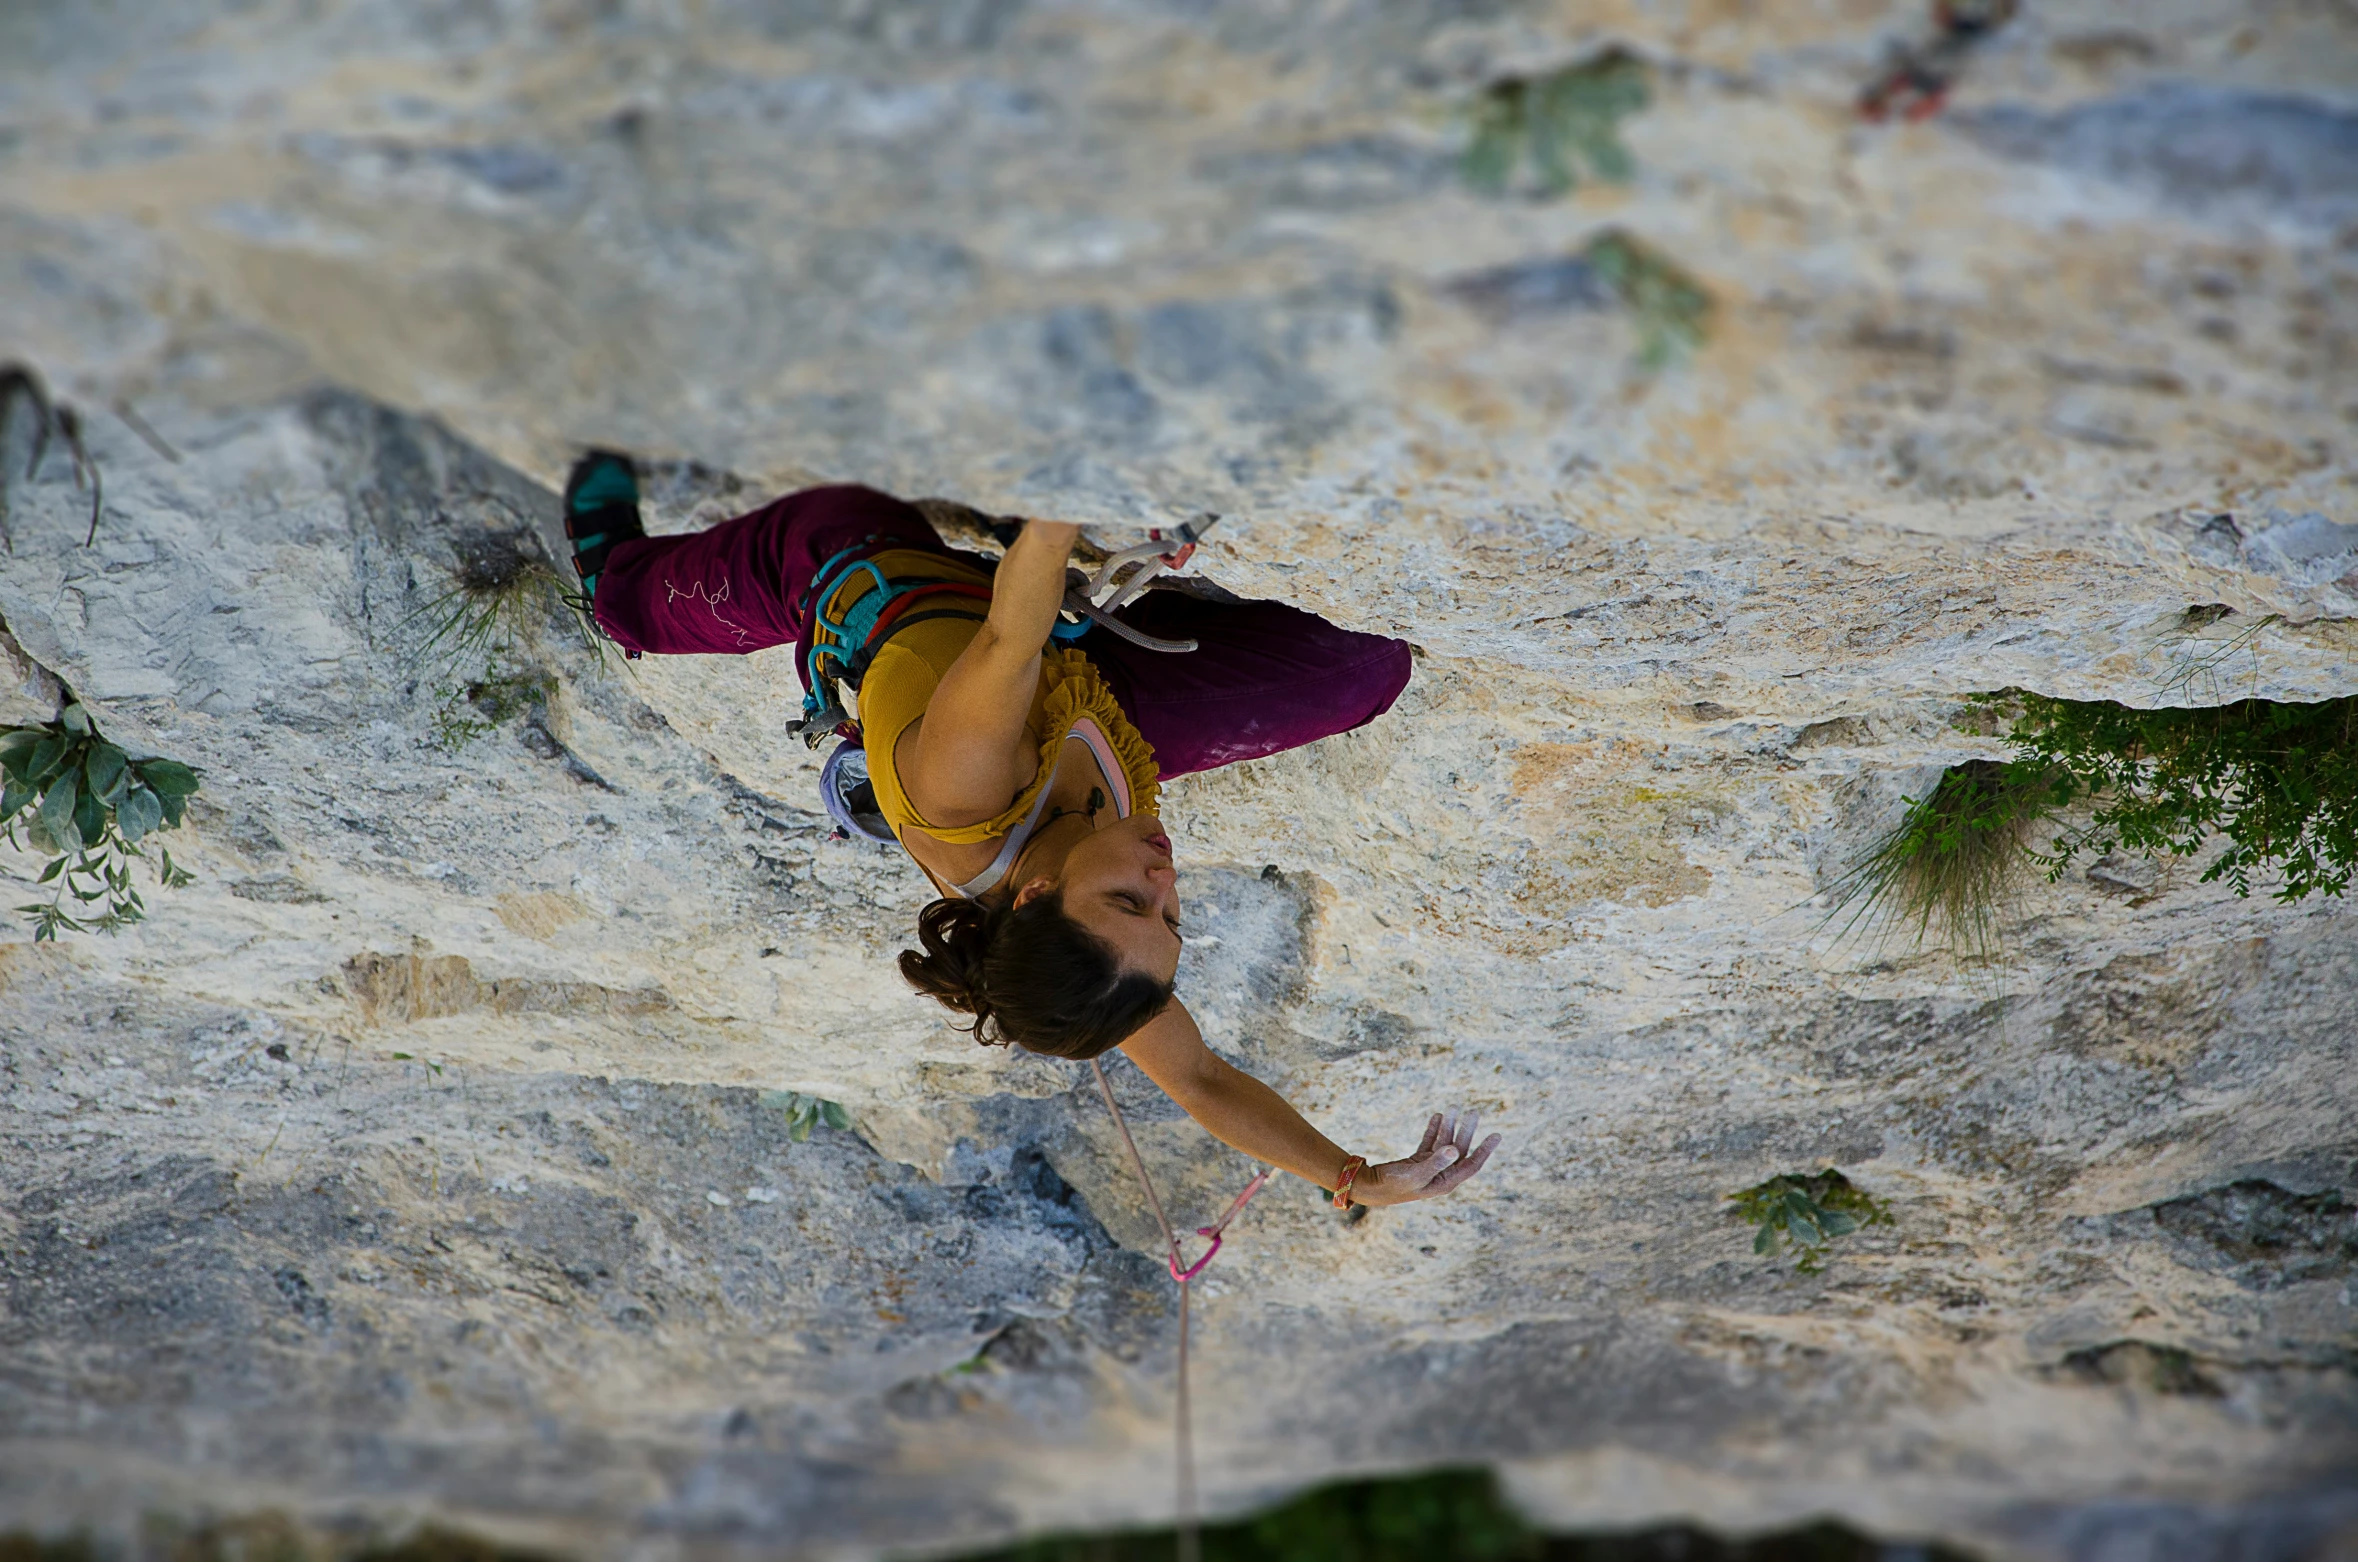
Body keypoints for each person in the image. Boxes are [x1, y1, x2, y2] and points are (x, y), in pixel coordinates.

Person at [565, 453, 1501, 1208]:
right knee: (1361, 672)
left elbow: (1010, 642)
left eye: (1131, 898)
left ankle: (617, 583)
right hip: (1090, 696)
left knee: (740, 552)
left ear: (1036, 891)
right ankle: (1053, 576)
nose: (1165, 879)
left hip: (874, 574)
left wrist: (1067, 493)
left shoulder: (962, 794)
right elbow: (1203, 1082)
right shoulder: (1099, 955)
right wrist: (1351, 1178)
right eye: (1171, 918)